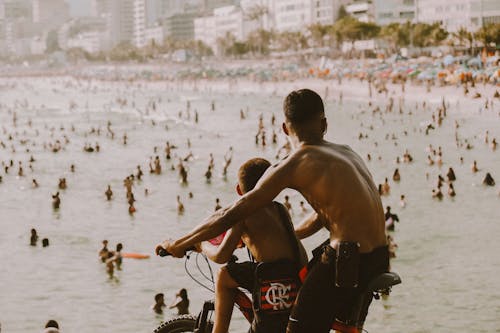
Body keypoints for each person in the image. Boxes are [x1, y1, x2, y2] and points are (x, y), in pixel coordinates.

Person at [156, 89, 389, 333]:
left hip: (346, 259)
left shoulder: (295, 162)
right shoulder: (348, 152)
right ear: (324, 124)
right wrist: (284, 234)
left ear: (285, 129)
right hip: (377, 257)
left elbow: (231, 212)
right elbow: (325, 215)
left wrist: (178, 243)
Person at [196, 158, 307, 333]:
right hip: (295, 277)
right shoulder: (280, 208)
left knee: (223, 275)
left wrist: (202, 245)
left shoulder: (244, 211)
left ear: (239, 190)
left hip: (271, 280)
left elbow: (221, 256)